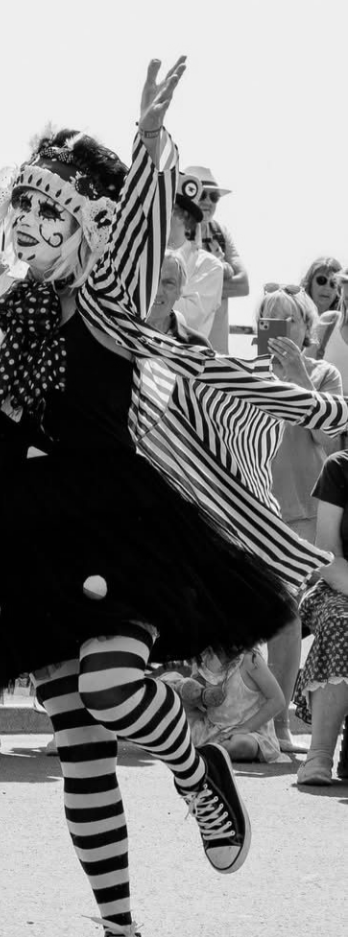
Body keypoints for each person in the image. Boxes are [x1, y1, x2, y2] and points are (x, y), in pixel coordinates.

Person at [0, 57, 348, 937]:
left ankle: (196, 771)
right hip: (29, 543)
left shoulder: (105, 307)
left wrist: (150, 145)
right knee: (78, 748)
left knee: (117, 682)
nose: (31, 223)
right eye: (23, 205)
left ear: (89, 225)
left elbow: (186, 343)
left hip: (119, 526)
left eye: (54, 207)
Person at [252, 288, 344, 751]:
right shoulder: (247, 374)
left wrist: (300, 379)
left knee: (288, 621)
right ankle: (254, 721)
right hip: (254, 513)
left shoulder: (325, 375)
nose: (280, 328)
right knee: (272, 618)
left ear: (306, 328)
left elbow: (329, 442)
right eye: (270, 319)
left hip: (306, 517)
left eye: (290, 320)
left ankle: (282, 725)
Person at [292, 449, 348, 785]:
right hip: (338, 585)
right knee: (343, 623)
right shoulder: (340, 467)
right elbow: (326, 553)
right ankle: (319, 755)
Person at [168, 646, 285, 764]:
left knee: (244, 745)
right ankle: (210, 749)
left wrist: (245, 728)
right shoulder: (204, 659)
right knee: (173, 726)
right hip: (213, 730)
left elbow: (277, 700)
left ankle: (204, 751)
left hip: (251, 732)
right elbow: (199, 701)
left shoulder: (250, 660)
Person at [181, 165, 248, 353]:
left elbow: (243, 285)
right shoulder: (169, 232)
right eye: (202, 195)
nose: (208, 202)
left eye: (214, 197)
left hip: (216, 353)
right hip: (181, 351)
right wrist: (219, 272)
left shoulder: (220, 232)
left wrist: (195, 286)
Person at [169, 184, 226, 341]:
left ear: (183, 216)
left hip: (182, 361)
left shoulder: (210, 266)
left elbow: (189, 318)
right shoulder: (142, 257)